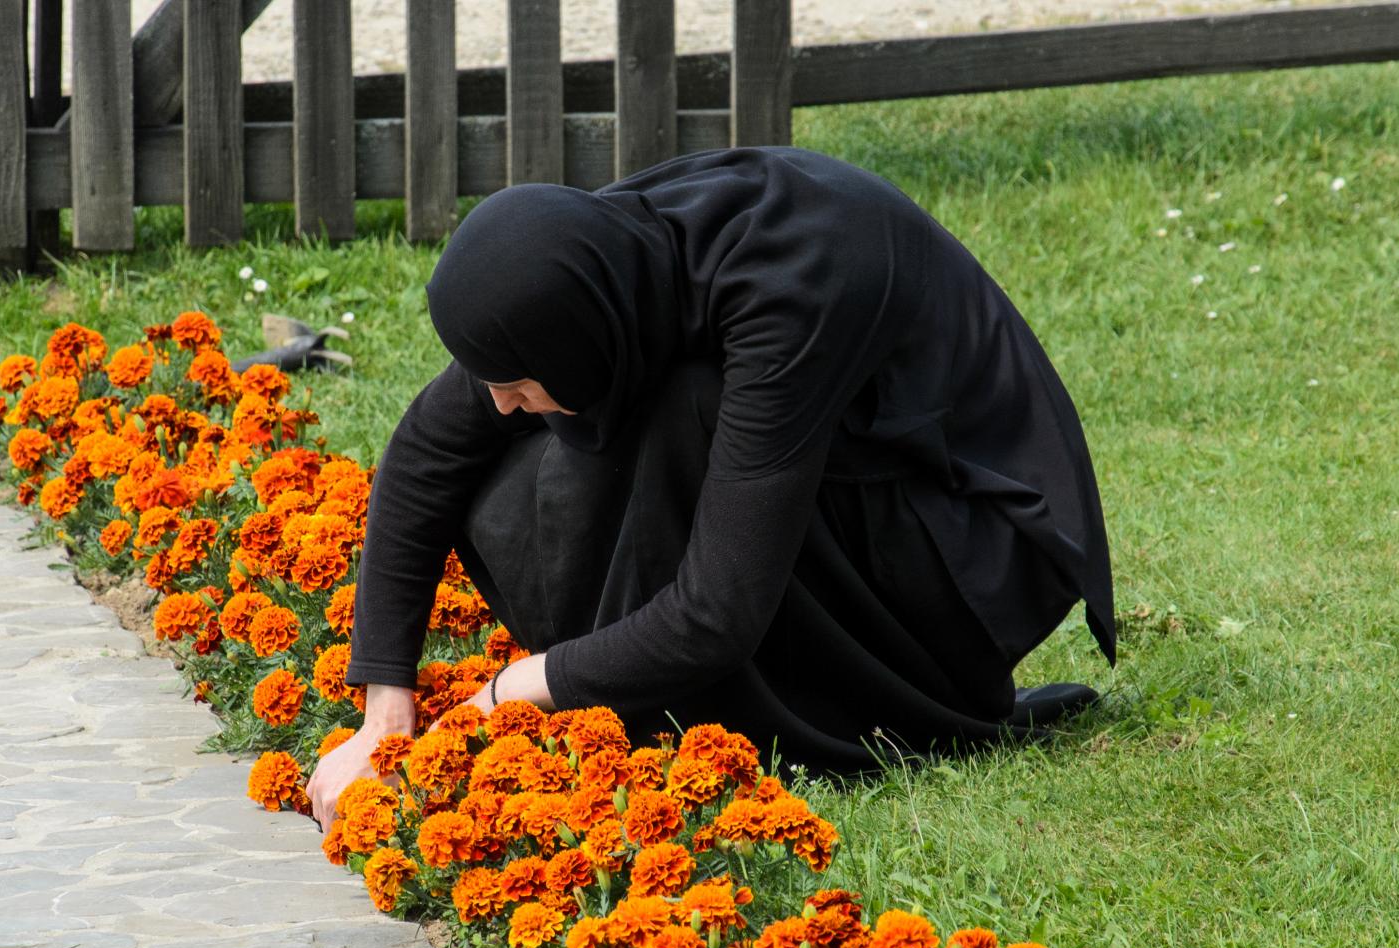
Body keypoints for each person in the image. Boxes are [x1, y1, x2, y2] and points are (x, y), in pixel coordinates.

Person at [306, 145, 1116, 820]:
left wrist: (507, 695)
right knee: (532, 454)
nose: (498, 401)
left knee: (684, 410)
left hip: (971, 551)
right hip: (863, 487)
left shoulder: (789, 292)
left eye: (513, 378)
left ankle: (759, 711)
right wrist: (387, 713)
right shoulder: (605, 260)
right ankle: (634, 690)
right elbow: (423, 452)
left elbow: (720, 612)